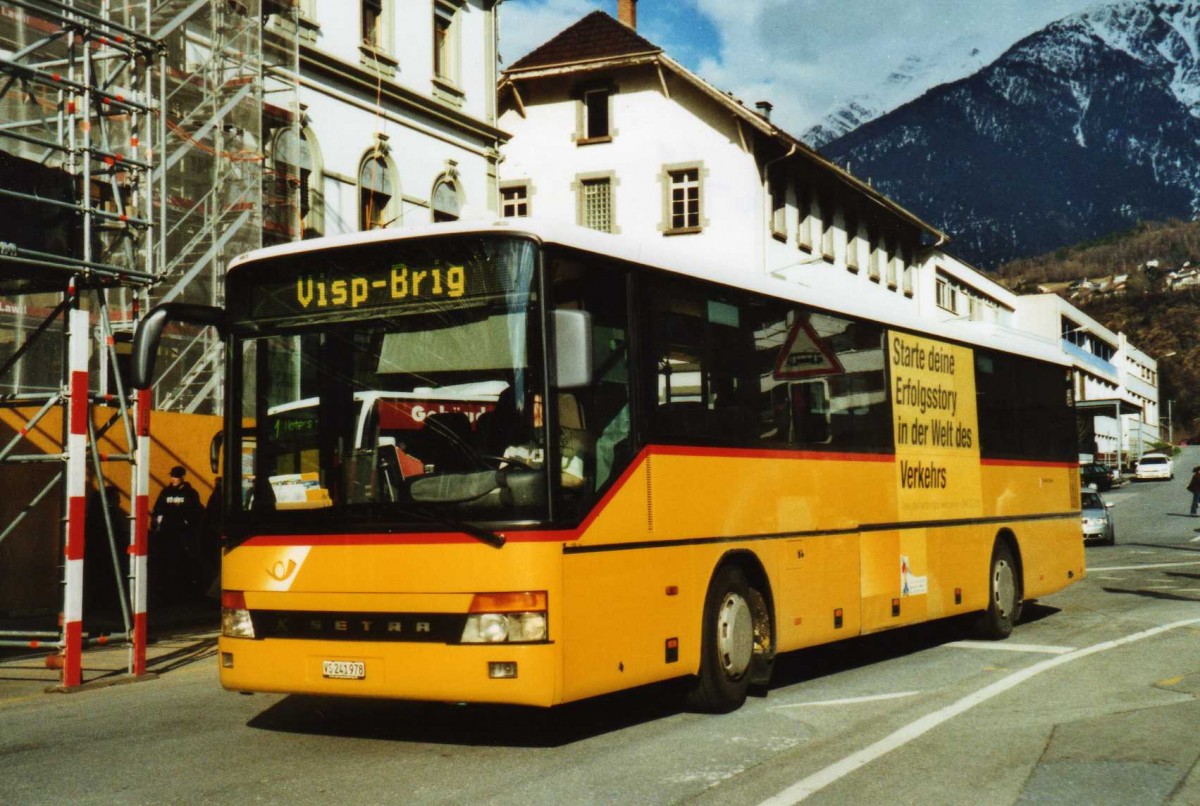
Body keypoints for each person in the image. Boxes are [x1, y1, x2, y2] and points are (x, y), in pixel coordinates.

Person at [502, 392, 586, 488]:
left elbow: (575, 479)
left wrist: (537, 479)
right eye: (529, 404)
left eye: (540, 405)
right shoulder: (513, 447)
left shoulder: (572, 444)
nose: (536, 411)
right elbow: (501, 479)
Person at [150, 465, 205, 602]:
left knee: (182, 563)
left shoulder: (190, 493)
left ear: (182, 477)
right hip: (166, 534)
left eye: (176, 476)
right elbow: (157, 510)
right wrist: (156, 525)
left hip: (183, 534)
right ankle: (167, 593)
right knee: (166, 563)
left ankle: (182, 593)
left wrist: (187, 524)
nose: (173, 479)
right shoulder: (165, 492)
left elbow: (197, 512)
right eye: (172, 476)